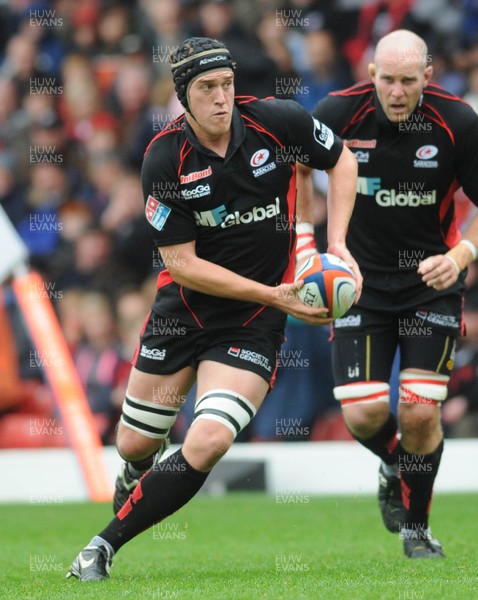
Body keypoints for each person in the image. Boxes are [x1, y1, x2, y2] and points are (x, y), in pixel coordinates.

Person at [66, 36, 361, 581]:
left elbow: (342, 161)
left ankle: (101, 548)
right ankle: (137, 468)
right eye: (207, 88)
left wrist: (335, 245)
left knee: (209, 437)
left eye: (226, 84)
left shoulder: (281, 122)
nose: (222, 98)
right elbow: (181, 264)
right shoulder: (163, 157)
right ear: (184, 94)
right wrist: (273, 291)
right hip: (185, 311)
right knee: (134, 440)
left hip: (250, 324)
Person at [297, 29, 478, 559]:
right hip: (359, 285)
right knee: (364, 414)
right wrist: (309, 245)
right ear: (371, 74)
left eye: (408, 81)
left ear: (427, 77)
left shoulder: (458, 122)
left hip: (430, 283)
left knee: (421, 412)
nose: (396, 92)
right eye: (387, 80)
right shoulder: (336, 114)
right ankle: (395, 462)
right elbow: (300, 166)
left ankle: (416, 528)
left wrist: (460, 257)